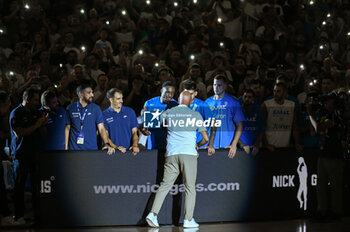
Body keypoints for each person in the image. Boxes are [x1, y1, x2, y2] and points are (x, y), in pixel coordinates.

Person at [145, 91, 209, 228]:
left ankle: (153, 214)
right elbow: (206, 139)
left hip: (171, 154)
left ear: (179, 100)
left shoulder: (169, 112)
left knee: (164, 185)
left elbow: (149, 122)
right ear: (191, 102)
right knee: (190, 187)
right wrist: (198, 144)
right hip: (189, 154)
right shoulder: (196, 115)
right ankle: (188, 220)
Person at [9, 88, 48, 225]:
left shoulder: (36, 113)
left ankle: (38, 216)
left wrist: (42, 124)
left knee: (37, 186)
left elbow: (43, 133)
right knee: (19, 186)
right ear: (27, 99)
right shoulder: (16, 113)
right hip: (21, 156)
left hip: (35, 154)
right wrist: (37, 124)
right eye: (35, 100)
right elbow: (19, 133)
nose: (38, 103)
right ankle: (18, 216)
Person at [307, 92, 345, 220]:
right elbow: (315, 131)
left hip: (334, 154)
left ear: (333, 102)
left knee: (335, 185)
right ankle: (322, 210)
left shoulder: (335, 115)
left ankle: (335, 211)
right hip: (323, 152)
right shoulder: (325, 115)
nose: (325, 103)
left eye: (328, 101)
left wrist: (310, 114)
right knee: (320, 184)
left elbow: (318, 128)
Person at [65, 84, 115, 154]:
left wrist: (106, 143)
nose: (92, 95)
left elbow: (101, 128)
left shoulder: (96, 108)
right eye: (89, 93)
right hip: (74, 149)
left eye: (92, 92)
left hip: (91, 149)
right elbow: (67, 128)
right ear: (80, 95)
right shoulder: (70, 108)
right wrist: (66, 147)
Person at [205, 75, 245, 158]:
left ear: (225, 86)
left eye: (219, 85)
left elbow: (240, 126)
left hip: (228, 146)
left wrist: (234, 144)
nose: (216, 87)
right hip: (210, 147)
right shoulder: (207, 102)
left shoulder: (234, 103)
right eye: (214, 85)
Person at [262, 83, 303, 152]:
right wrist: (266, 144)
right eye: (274, 91)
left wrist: (297, 143)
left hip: (285, 146)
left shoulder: (292, 105)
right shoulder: (266, 104)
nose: (275, 93)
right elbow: (262, 126)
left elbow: (295, 126)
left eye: (278, 91)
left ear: (285, 93)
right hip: (270, 146)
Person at [103, 88, 139, 155]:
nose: (121, 101)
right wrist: (116, 147)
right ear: (111, 100)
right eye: (118, 99)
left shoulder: (130, 112)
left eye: (122, 98)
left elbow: (135, 132)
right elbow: (105, 135)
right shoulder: (104, 115)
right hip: (113, 152)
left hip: (129, 151)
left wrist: (135, 145)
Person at [239, 89, 265, 155]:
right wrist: (241, 145)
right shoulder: (237, 112)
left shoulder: (258, 111)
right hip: (240, 148)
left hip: (255, 147)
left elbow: (261, 129)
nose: (247, 99)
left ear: (253, 99)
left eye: (249, 97)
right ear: (242, 98)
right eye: (245, 97)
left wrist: (257, 144)